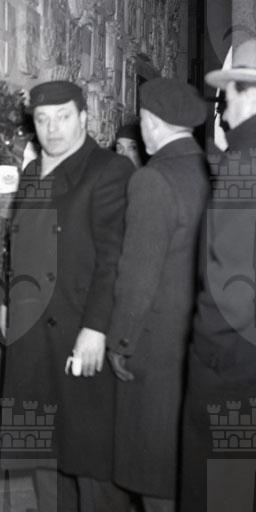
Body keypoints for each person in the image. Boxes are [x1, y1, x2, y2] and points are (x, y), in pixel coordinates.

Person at [0, 80, 134, 512]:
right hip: (31, 333)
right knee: (43, 452)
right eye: (42, 119)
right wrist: (4, 300)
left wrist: (96, 328)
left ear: (84, 118)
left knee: (90, 455)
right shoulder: (31, 174)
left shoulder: (109, 170)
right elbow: (18, 245)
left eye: (63, 118)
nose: (52, 129)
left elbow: (113, 260)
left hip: (77, 330)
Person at [106, 77, 209, 511]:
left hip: (156, 344)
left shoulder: (152, 179)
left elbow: (138, 275)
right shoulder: (211, 171)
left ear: (150, 122)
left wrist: (121, 340)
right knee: (188, 463)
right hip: (201, 337)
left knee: (153, 468)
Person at [180, 38, 256, 511]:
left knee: (219, 491)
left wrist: (204, 356)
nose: (222, 113)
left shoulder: (243, 164)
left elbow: (232, 289)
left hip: (233, 366)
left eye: (226, 96)